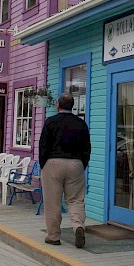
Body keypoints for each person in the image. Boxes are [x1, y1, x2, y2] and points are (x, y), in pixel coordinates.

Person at [39, 93, 91, 248]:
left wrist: (44, 165)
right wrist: (82, 165)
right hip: (76, 164)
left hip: (53, 163)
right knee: (75, 199)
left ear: (58, 105)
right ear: (72, 106)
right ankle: (78, 226)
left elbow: (43, 146)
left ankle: (53, 236)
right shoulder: (81, 123)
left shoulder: (51, 122)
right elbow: (87, 148)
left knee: (52, 202)